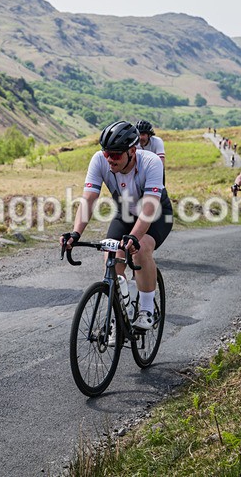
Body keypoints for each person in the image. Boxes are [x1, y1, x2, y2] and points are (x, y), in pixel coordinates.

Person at [61, 121, 173, 330]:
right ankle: (121, 307)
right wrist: (76, 233)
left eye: (115, 155)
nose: (109, 159)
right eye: (106, 153)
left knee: (140, 250)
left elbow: (149, 210)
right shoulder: (99, 160)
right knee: (111, 254)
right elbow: (89, 200)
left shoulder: (151, 162)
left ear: (132, 151)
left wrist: (134, 238)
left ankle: (147, 310)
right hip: (125, 213)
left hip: (156, 215)